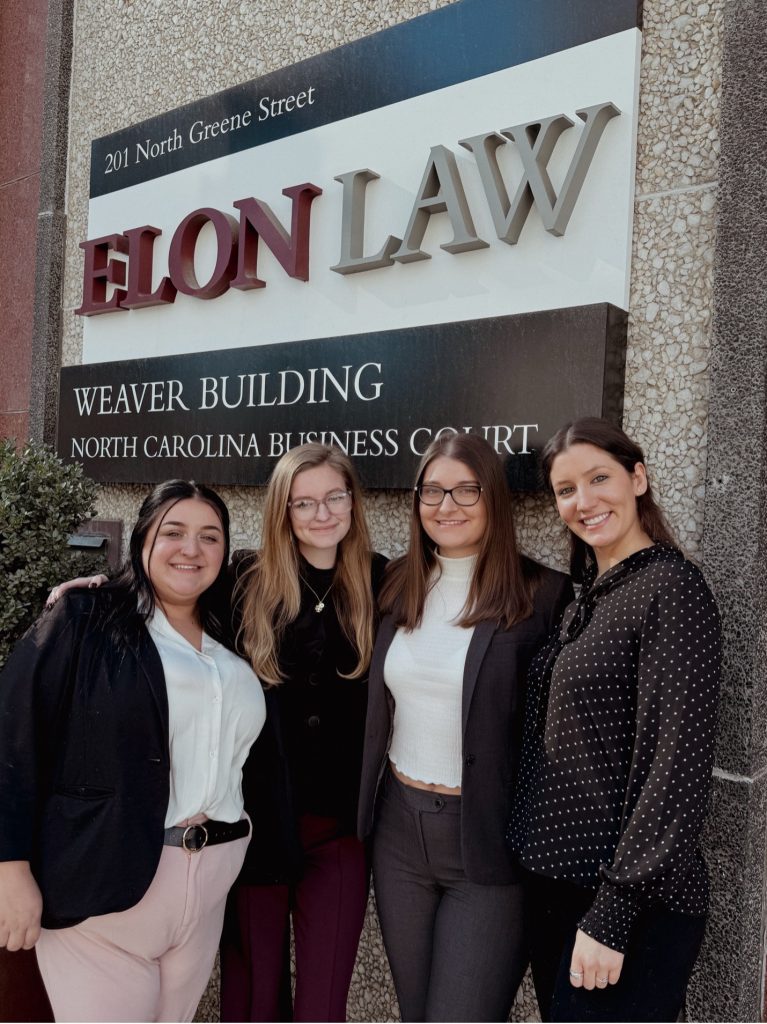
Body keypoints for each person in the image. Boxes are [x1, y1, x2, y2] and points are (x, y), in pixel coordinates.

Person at [49, 445, 387, 1023]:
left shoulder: (384, 582)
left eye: (335, 497)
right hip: (254, 825)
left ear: (354, 503)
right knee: (252, 995)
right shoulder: (244, 578)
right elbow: (172, 581)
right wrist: (105, 589)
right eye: (302, 501)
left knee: (323, 1001)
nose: (321, 513)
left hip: (338, 831)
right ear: (281, 510)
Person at [0, 480, 266, 1023]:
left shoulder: (236, 635)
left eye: (209, 537)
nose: (191, 549)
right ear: (143, 538)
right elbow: (13, 736)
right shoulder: (86, 620)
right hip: (105, 887)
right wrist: (9, 866)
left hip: (208, 885)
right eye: (173, 532)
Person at [507, 417, 722, 1023]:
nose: (584, 501)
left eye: (599, 478)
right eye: (565, 489)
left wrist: (613, 914)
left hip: (627, 902)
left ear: (638, 478)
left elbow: (675, 768)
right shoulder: (590, 594)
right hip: (558, 889)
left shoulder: (672, 588)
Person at [357, 431, 573, 1023]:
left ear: (493, 498)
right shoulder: (396, 582)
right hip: (398, 834)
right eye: (432, 491)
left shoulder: (542, 594)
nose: (445, 505)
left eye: (464, 490)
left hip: (486, 843)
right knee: (416, 1012)